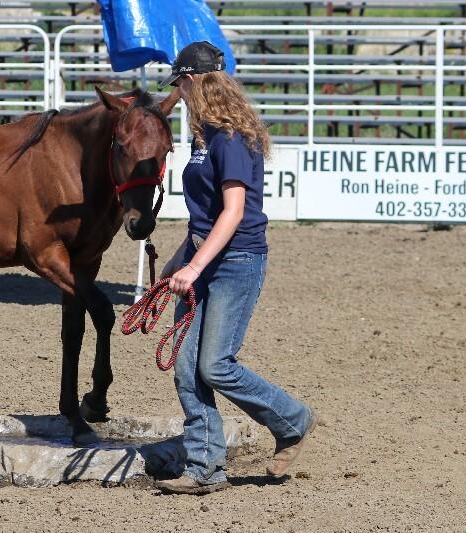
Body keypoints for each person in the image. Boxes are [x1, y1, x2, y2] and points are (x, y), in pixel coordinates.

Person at [153, 41, 317, 495]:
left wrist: (195, 265)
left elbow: (233, 211)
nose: (178, 95)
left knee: (216, 365)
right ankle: (205, 467)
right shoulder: (204, 136)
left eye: (180, 86)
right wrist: (177, 264)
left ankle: (292, 418)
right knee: (188, 369)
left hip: (236, 261)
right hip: (203, 260)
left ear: (191, 82)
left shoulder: (230, 138)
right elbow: (204, 215)